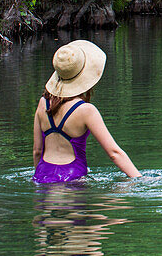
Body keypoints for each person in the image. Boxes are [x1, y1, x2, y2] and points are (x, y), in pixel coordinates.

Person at [33, 39, 141, 183]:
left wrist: (40, 176)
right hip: (72, 178)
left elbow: (37, 151)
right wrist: (139, 180)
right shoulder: (86, 110)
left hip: (41, 176)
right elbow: (114, 153)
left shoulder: (43, 103)